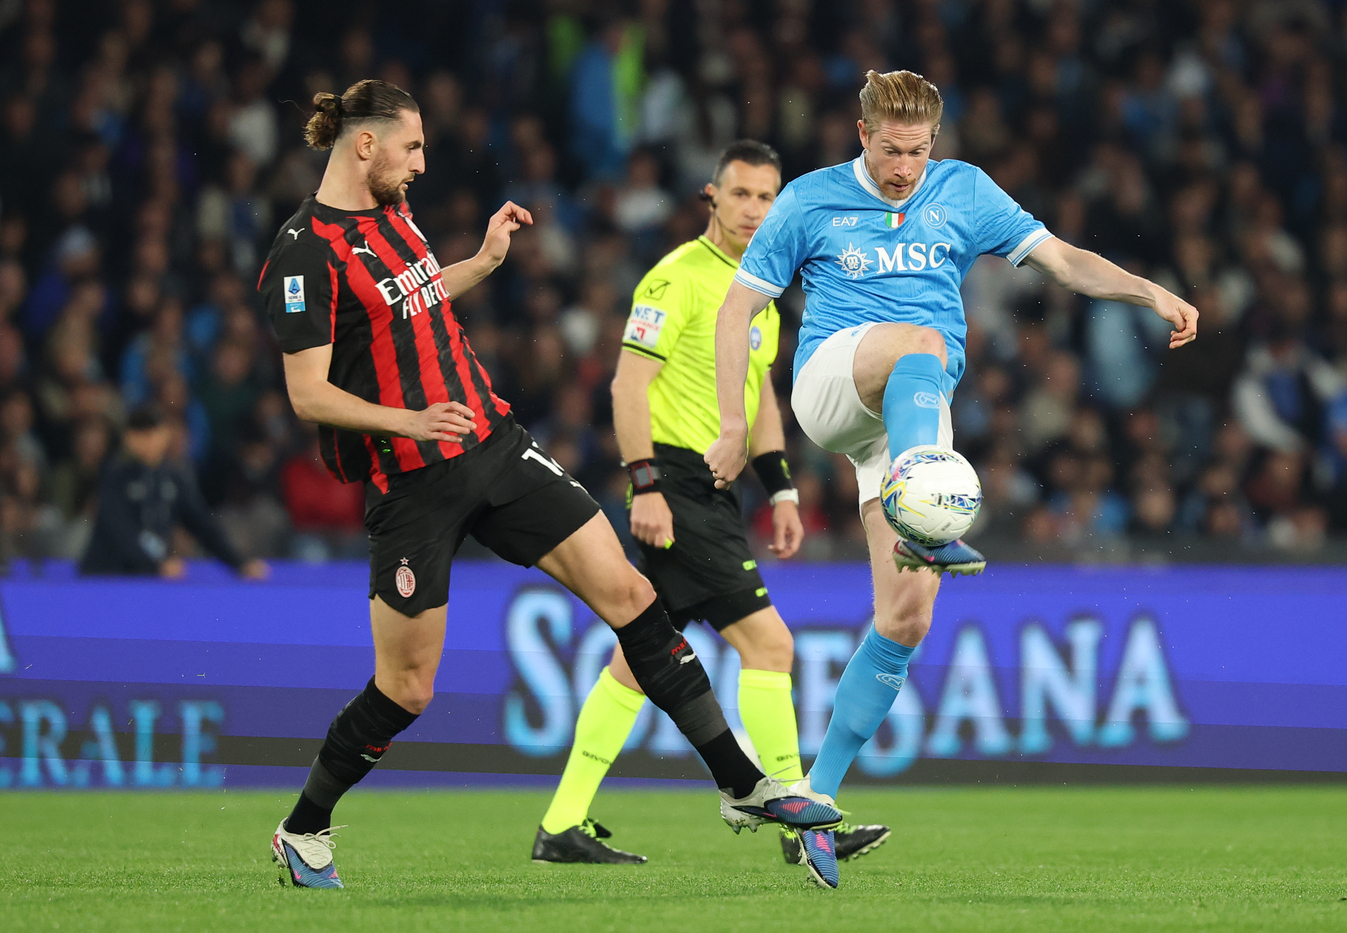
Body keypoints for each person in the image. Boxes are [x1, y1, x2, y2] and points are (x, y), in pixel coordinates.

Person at [257, 80, 839, 890]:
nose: (420, 164)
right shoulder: (303, 252)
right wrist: (410, 420)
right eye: (412, 147)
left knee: (632, 596)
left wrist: (482, 262)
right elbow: (308, 393)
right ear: (365, 145)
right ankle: (304, 826)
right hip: (411, 479)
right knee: (407, 687)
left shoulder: (395, 215)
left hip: (493, 444)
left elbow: (407, 304)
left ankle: (741, 784)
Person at [705, 70, 1199, 889]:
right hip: (835, 380)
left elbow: (1062, 260)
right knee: (923, 341)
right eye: (890, 150)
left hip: (912, 407)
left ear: (935, 142)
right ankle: (920, 496)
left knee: (906, 617)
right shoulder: (809, 200)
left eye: (918, 151)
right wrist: (734, 424)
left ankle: (814, 800)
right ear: (862, 136)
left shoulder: (963, 190)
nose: (905, 167)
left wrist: (1147, 290)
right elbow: (735, 311)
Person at [533, 141, 890, 867]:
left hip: (715, 490)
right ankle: (801, 824)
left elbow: (759, 399)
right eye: (742, 194)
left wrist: (781, 488)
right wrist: (645, 484)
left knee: (638, 657)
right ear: (712, 196)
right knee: (770, 645)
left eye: (767, 197)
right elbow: (627, 386)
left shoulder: (759, 293)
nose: (755, 209)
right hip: (675, 483)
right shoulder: (676, 278)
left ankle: (562, 824)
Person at [78, 404, 269, 580]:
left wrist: (239, 563)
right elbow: (120, 529)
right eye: (138, 433)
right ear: (127, 437)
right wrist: (156, 564)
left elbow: (202, 524)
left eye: (151, 432)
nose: (146, 440)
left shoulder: (173, 478)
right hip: (108, 576)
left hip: (151, 578)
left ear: (165, 434)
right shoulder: (115, 475)